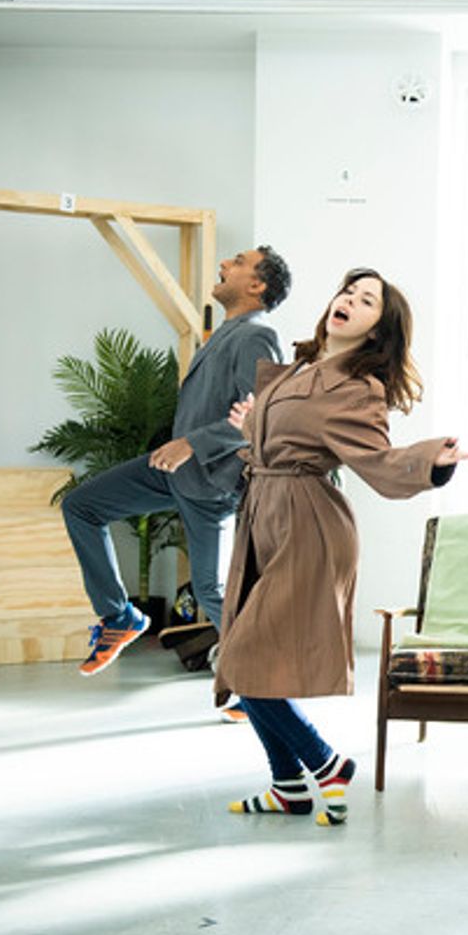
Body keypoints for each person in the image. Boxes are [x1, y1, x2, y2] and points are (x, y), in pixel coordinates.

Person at [214, 268, 468, 825]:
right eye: (348, 292)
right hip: (265, 516)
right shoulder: (301, 366)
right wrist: (253, 428)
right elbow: (282, 439)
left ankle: (323, 762)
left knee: (241, 660)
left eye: (367, 301)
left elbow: (377, 461)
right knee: (249, 653)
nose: (350, 302)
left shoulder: (359, 387)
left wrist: (431, 460)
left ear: (378, 330)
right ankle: (289, 787)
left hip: (309, 525)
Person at [62, 245, 291, 677]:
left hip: (210, 480)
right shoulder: (226, 333)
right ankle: (119, 617)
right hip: (173, 470)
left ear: (257, 285)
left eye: (238, 262)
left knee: (211, 590)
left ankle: (260, 679)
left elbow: (263, 416)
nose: (224, 263)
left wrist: (191, 443)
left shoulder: (258, 335)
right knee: (82, 505)